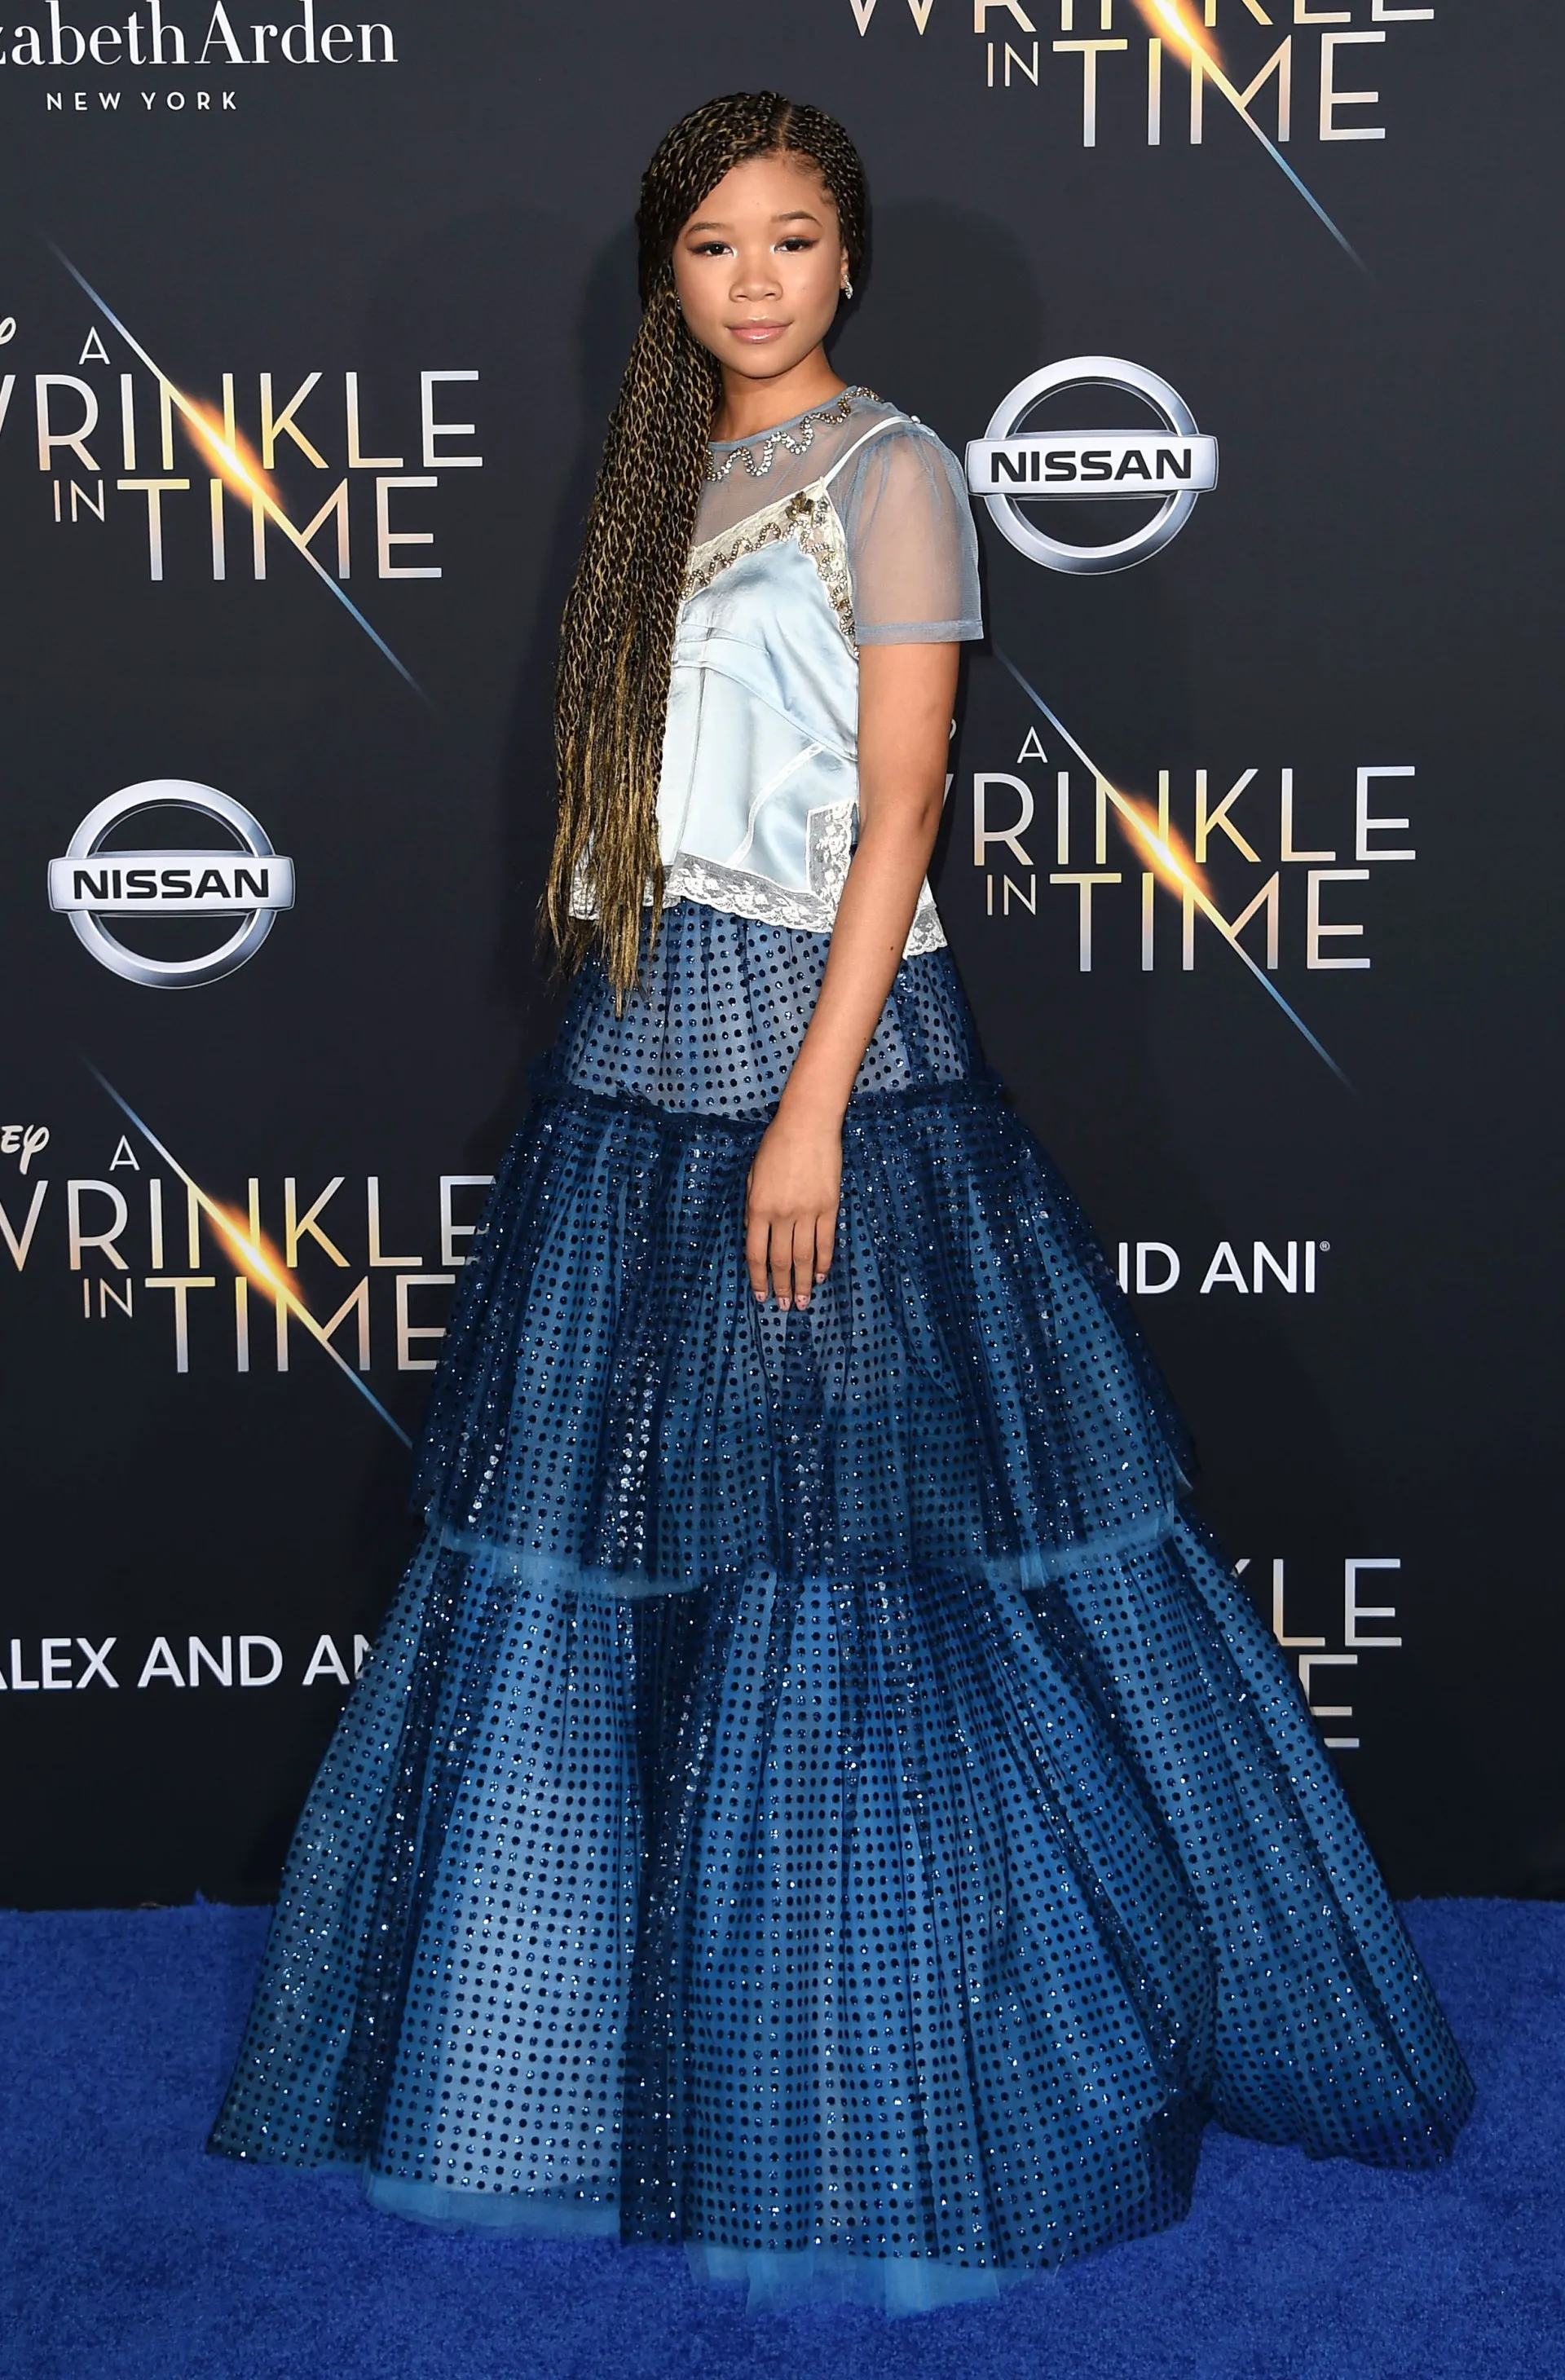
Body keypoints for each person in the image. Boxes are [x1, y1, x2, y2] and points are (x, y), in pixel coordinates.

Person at [209, 90, 1472, 2316]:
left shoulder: (899, 471)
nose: (755, 280)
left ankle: (886, 2064)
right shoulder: (659, 484)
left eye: (791, 238)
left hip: (838, 1067)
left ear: (850, 258)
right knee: (637, 1554)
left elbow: (898, 817)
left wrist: (808, 1116)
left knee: (856, 1564)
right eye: (713, 245)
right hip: (639, 1063)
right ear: (669, 276)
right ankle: (623, 2061)